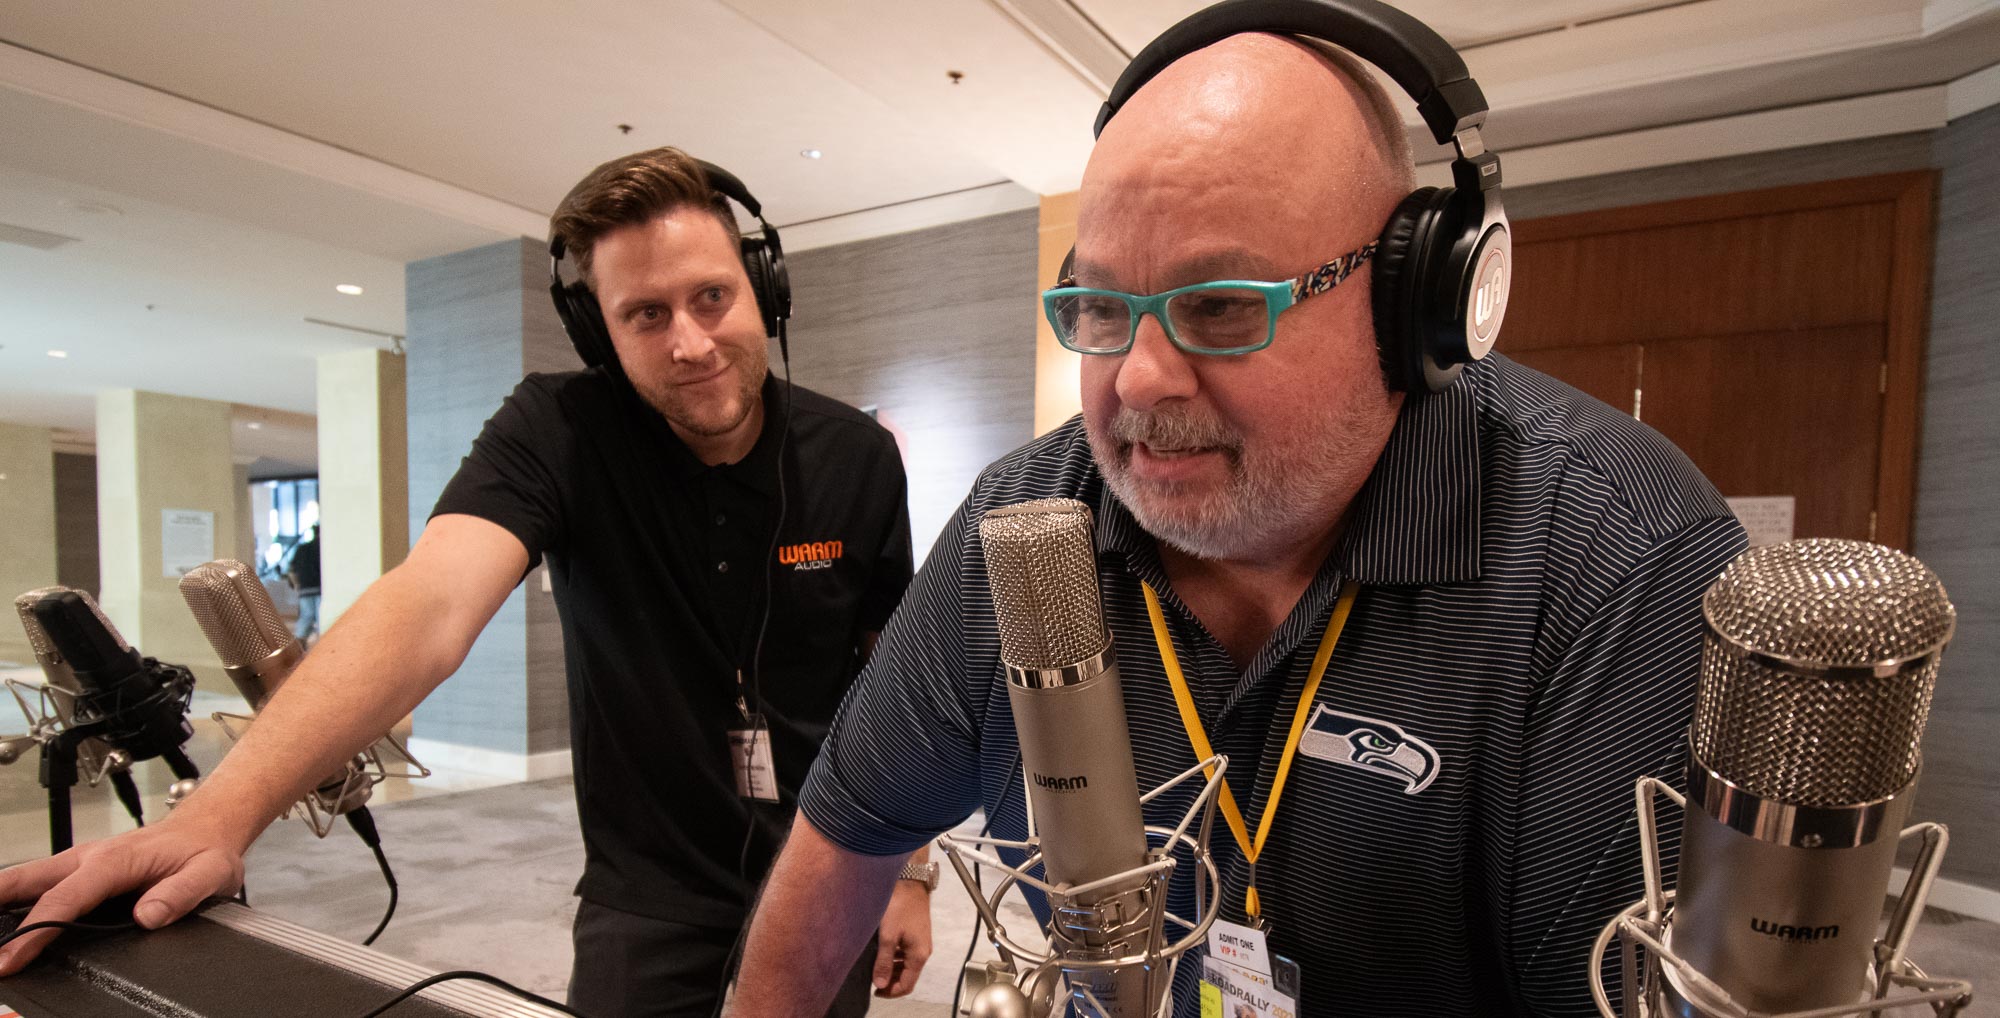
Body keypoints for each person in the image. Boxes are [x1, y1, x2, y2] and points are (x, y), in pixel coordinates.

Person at [728, 26, 1747, 1018]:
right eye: (1097, 307)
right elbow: (848, 831)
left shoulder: (1618, 559)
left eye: (1217, 306)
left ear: (1413, 303)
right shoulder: (1022, 523)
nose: (1137, 377)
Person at [0, 147, 933, 1018]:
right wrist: (218, 814)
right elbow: (431, 603)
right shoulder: (556, 429)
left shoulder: (854, 456)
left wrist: (906, 871)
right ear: (597, 330)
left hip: (829, 870)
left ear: (763, 288)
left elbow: (896, 682)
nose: (689, 342)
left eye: (712, 297)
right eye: (646, 315)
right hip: (646, 893)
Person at [284, 525, 321, 644]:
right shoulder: (322, 549)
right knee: (322, 618)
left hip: (305, 588)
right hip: (320, 588)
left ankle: (300, 645)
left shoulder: (301, 549)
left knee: (306, 616)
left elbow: (291, 570)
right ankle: (324, 645)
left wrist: (297, 585)